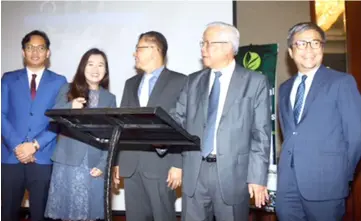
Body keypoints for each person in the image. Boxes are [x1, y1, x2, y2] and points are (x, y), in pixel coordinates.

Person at [170, 21, 271, 221]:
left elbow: (261, 135)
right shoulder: (193, 81)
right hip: (194, 173)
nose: (202, 48)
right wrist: (155, 133)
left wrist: (257, 178)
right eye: (202, 43)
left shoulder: (254, 82)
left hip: (233, 175)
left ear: (228, 48)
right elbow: (176, 120)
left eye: (208, 43)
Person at [276, 22, 361, 221]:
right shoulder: (285, 88)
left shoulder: (342, 82)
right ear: (290, 51)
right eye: (302, 44)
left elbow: (356, 135)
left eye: (315, 43)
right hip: (288, 185)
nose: (309, 49)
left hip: (327, 183)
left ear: (322, 48)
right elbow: (291, 134)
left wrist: (342, 174)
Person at [113, 31, 186, 221]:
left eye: (138, 48)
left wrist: (178, 163)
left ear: (153, 50)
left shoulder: (180, 81)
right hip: (131, 166)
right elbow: (122, 124)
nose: (134, 54)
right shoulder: (130, 84)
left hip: (162, 166)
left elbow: (184, 125)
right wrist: (118, 161)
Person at [1, 30, 67, 221]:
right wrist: (18, 146)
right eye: (30, 47)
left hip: (43, 157)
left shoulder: (59, 81)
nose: (35, 52)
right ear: (23, 52)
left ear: (48, 53)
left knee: (40, 213)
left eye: (41, 48)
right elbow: (1, 114)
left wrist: (34, 145)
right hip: (11, 157)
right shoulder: (8, 79)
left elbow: (59, 119)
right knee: (7, 213)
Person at [44, 48, 116, 221]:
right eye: (90, 64)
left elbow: (112, 133)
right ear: (83, 67)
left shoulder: (110, 98)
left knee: (90, 214)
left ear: (105, 70)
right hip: (68, 161)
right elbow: (52, 115)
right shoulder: (68, 89)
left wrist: (104, 164)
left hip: (94, 162)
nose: (95, 69)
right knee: (67, 214)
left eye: (100, 65)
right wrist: (70, 106)